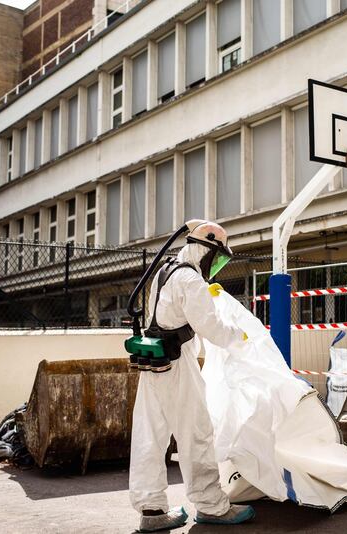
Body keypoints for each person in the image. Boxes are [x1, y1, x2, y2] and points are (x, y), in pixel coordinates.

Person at [129, 220, 256, 533]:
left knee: (150, 436)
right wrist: (242, 337)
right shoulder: (190, 280)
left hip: (152, 362)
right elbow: (210, 328)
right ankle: (212, 506)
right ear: (208, 250)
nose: (218, 264)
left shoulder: (165, 272)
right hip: (178, 366)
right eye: (219, 257)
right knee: (196, 434)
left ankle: (152, 509)